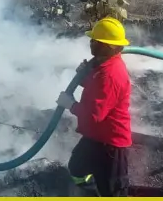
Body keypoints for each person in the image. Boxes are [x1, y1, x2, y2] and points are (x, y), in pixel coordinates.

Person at [56, 17, 132, 197]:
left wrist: (71, 105)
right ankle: (91, 192)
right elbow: (96, 89)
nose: (91, 43)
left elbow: (93, 116)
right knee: (77, 167)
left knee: (113, 191)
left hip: (111, 145)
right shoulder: (103, 65)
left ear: (108, 46)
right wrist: (83, 76)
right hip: (97, 137)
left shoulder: (111, 74)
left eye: (95, 41)